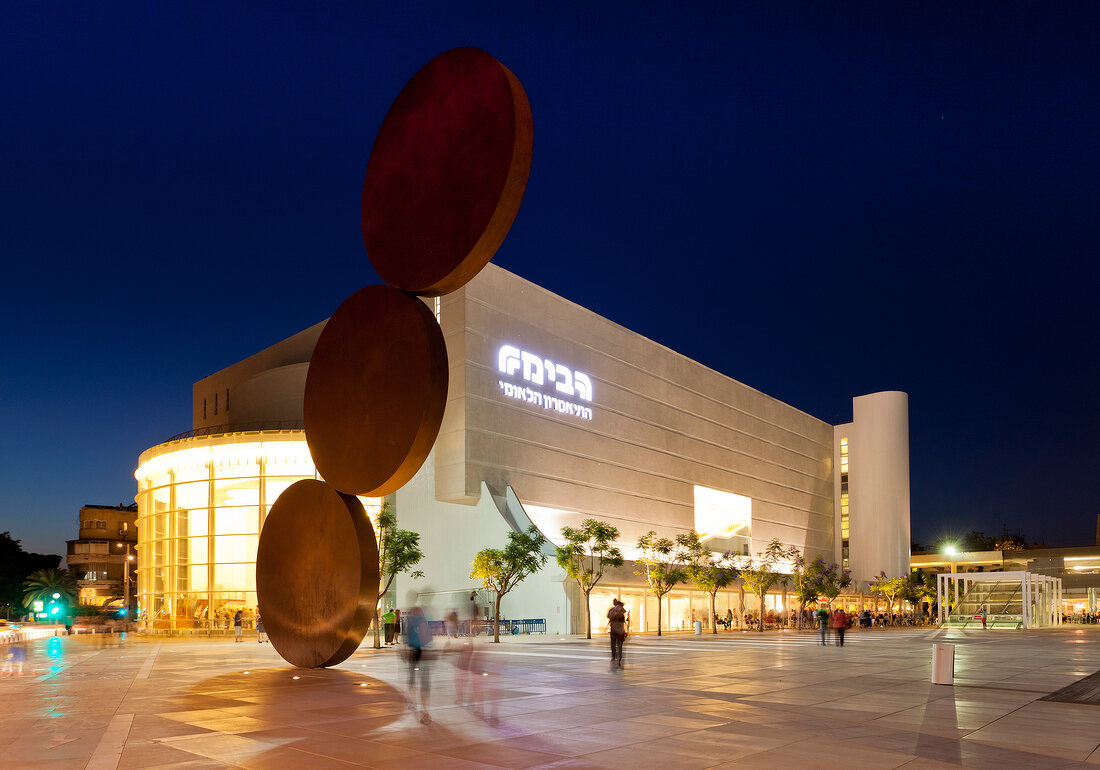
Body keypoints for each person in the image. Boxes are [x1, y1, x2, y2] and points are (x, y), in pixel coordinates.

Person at [403, 606, 433, 723]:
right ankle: (425, 711)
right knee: (424, 683)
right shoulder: (423, 622)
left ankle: (412, 701)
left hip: (414, 652)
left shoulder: (410, 623)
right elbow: (428, 639)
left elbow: (407, 640)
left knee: (412, 678)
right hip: (423, 653)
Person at [607, 599, 627, 669]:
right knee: (616, 644)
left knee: (617, 644)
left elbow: (609, 616)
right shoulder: (615, 610)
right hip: (618, 630)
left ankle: (617, 657)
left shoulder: (617, 610)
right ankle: (616, 656)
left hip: (618, 630)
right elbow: (609, 616)